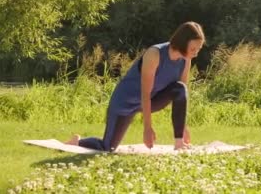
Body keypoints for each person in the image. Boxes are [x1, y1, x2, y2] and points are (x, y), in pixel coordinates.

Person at [65, 21, 205, 152]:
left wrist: (183, 127)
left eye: (199, 49)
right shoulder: (155, 54)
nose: (196, 53)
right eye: (193, 48)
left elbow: (181, 95)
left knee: (180, 88)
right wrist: (147, 128)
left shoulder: (186, 60)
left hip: (153, 99)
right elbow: (145, 93)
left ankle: (179, 143)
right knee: (108, 148)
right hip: (125, 102)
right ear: (182, 42)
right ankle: (78, 141)